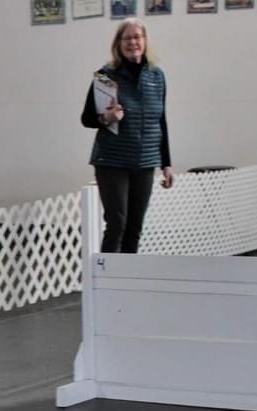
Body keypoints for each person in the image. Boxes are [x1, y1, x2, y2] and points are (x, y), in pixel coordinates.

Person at [80, 17, 174, 254]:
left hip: (145, 161)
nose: (133, 42)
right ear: (119, 43)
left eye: (137, 37)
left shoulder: (157, 76)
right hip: (112, 160)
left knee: (135, 226)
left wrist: (167, 163)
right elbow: (86, 118)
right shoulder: (105, 75)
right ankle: (107, 280)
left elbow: (161, 120)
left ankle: (128, 280)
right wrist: (107, 118)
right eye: (127, 38)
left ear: (145, 41)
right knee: (117, 224)